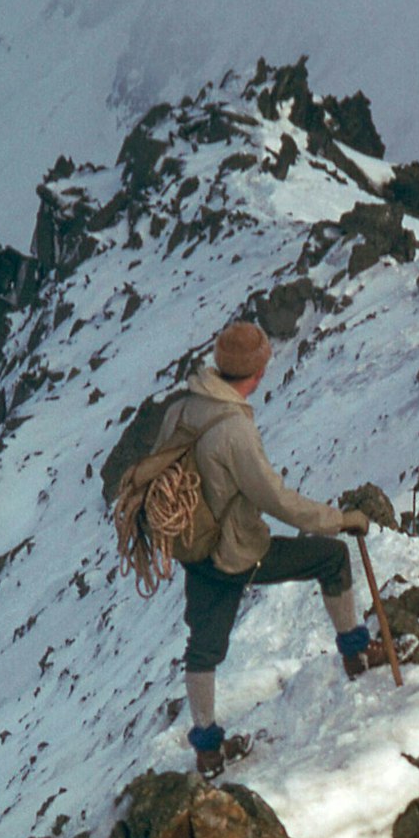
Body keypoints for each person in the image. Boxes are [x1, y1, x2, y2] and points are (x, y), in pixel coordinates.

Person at [160, 320, 375, 778]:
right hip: (236, 553)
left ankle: (208, 751)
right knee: (331, 559)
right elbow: (276, 500)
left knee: (203, 648)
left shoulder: (182, 408)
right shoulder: (232, 429)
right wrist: (339, 520)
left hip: (195, 551)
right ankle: (357, 656)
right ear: (253, 373)